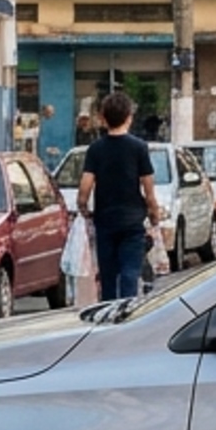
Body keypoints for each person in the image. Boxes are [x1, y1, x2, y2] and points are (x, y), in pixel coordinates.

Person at [76, 91, 162, 300]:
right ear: (129, 117)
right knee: (130, 274)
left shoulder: (96, 149)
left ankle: (107, 314)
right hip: (132, 222)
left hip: (105, 221)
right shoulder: (139, 148)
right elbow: (148, 190)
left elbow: (85, 187)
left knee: (107, 276)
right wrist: (154, 214)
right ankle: (126, 314)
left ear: (103, 118)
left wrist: (84, 207)